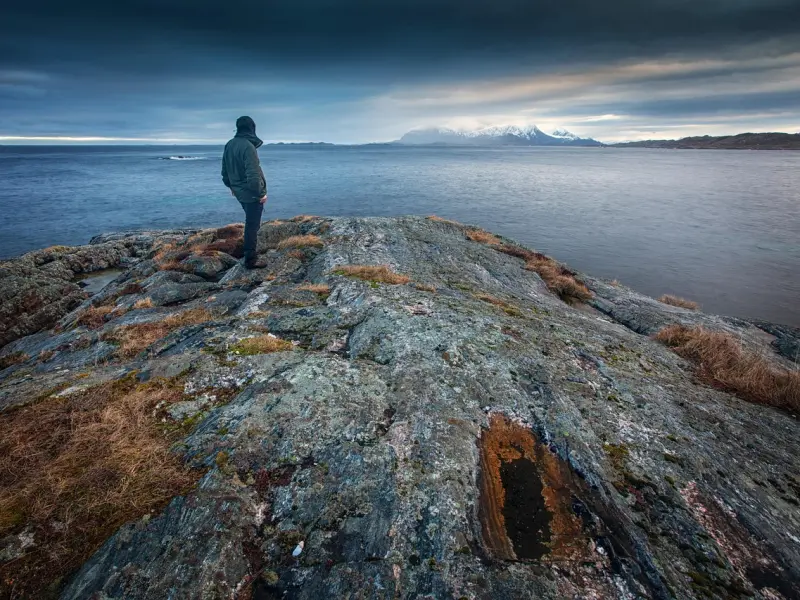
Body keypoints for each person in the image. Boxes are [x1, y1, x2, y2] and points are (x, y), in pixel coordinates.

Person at [222, 116, 268, 268]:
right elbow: (253, 175)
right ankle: (250, 259)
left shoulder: (230, 144)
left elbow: (224, 171)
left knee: (250, 222)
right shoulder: (248, 146)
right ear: (251, 128)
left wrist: (231, 187)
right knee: (252, 225)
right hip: (251, 193)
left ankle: (249, 252)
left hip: (239, 191)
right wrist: (261, 194)